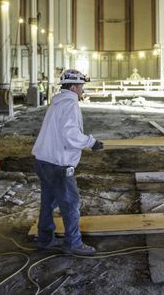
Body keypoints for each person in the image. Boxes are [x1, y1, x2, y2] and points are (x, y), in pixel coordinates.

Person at [32, 69, 104, 255]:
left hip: (43, 160)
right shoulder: (70, 104)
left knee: (48, 202)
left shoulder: (57, 102)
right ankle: (73, 244)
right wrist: (91, 142)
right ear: (73, 87)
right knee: (70, 202)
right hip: (58, 163)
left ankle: (45, 240)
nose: (82, 90)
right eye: (81, 86)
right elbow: (70, 134)